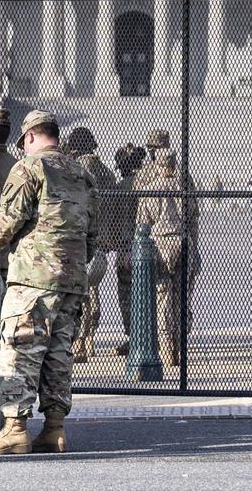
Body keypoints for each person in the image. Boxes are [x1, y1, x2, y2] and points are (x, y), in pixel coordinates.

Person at [0, 111, 100, 456]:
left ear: (29, 138)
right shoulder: (82, 174)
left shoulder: (28, 168)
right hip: (72, 278)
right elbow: (93, 233)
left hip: (33, 277)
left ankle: (14, 430)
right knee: (59, 354)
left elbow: (10, 217)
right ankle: (54, 429)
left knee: (19, 348)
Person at [135, 149, 199, 368]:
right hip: (183, 241)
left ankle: (167, 348)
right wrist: (195, 249)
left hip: (160, 244)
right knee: (182, 297)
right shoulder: (185, 189)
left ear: (158, 166)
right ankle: (180, 345)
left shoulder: (149, 190)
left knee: (163, 298)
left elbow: (142, 225)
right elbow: (193, 221)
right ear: (174, 165)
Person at [63, 127, 115, 360]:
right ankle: (90, 339)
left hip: (82, 236)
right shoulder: (106, 171)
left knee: (81, 294)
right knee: (93, 292)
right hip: (101, 237)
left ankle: (82, 343)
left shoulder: (78, 170)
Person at [110, 143, 146, 357]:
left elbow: (122, 222)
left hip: (128, 245)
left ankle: (135, 338)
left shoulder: (124, 185)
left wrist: (122, 248)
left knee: (127, 295)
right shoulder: (147, 181)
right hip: (148, 245)